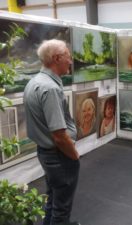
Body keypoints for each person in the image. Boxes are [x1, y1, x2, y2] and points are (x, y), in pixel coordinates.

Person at [23, 39, 80, 225]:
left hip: (46, 154)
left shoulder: (34, 82)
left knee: (53, 199)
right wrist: (74, 155)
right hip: (59, 156)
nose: (70, 62)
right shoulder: (50, 88)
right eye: (68, 57)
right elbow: (59, 135)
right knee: (61, 208)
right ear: (56, 58)